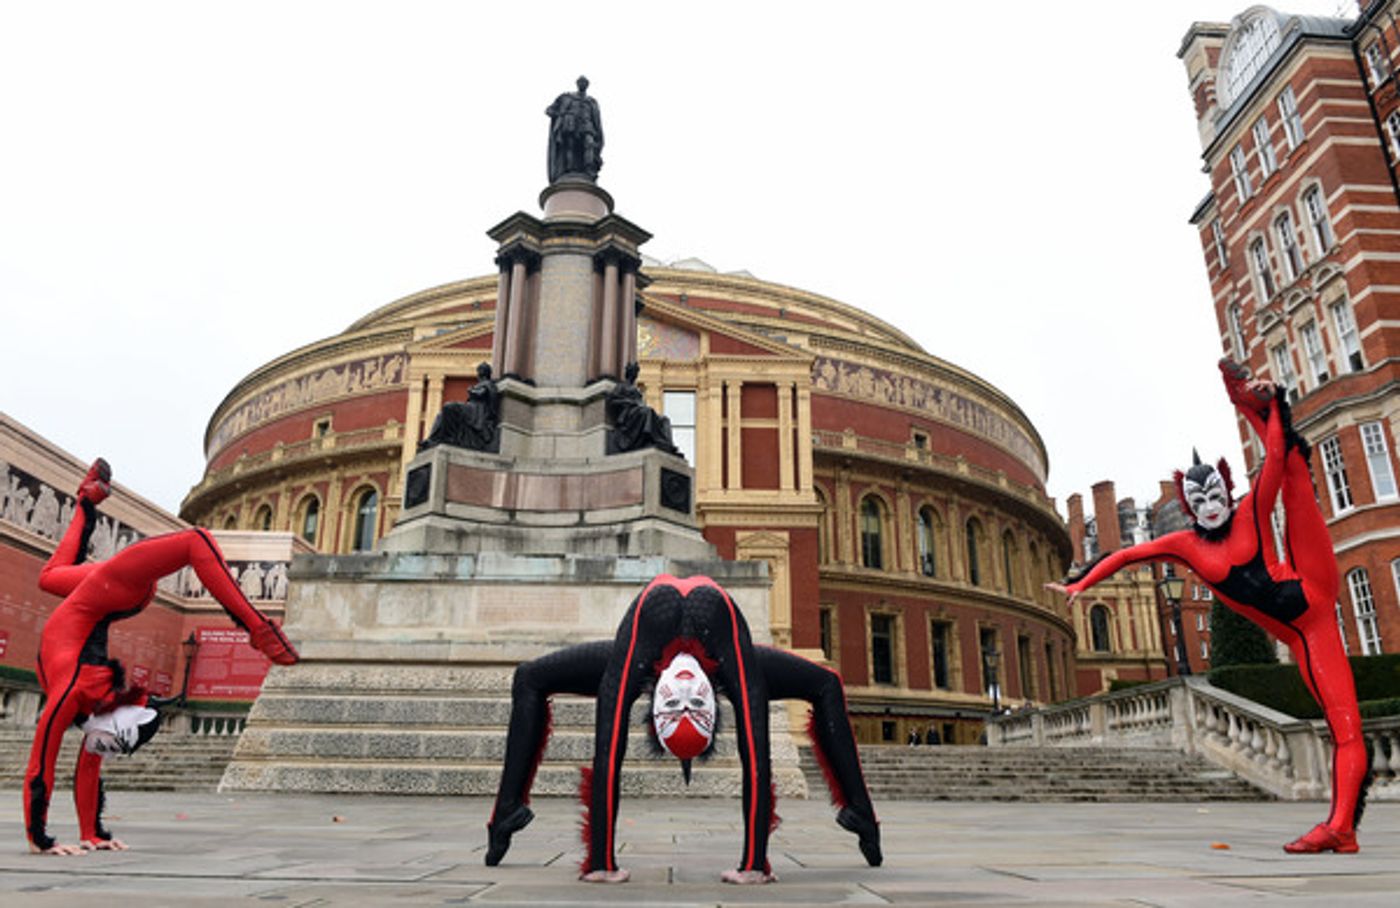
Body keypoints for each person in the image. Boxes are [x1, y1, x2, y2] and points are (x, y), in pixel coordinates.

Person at [1046, 360, 1369, 854]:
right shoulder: (1185, 545)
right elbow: (1130, 554)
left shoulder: (1250, 511)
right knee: (1340, 722)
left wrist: (1266, 403)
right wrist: (1079, 585)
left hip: (1313, 591)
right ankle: (1343, 831)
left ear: (1225, 488)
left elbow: (1277, 455)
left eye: (1216, 493)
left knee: (1295, 474)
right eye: (1199, 500)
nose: (1211, 504)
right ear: (1189, 504)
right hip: (1302, 630)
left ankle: (1341, 826)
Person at [484, 574, 881, 883]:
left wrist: (601, 863)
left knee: (530, 677)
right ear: (713, 701)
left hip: (657, 636)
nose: (688, 688)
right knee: (826, 683)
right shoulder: (725, 645)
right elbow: (756, 757)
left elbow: (607, 753)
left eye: (676, 704)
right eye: (695, 705)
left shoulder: (639, 648)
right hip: (711, 638)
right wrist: (755, 864)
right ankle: (860, 812)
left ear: (657, 703)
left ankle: (506, 810)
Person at [24, 459, 299, 855]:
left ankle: (257, 630)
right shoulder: (93, 707)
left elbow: (40, 764)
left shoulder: (70, 692)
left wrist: (39, 839)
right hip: (106, 601)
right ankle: (86, 500)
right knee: (51, 577)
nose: (105, 748)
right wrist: (93, 835)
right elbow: (86, 766)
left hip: (104, 596)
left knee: (195, 541)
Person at [418, 362, 501, 453]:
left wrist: (471, 390)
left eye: (480, 371)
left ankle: (449, 438)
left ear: (484, 372)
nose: (478, 374)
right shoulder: (484, 384)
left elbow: (481, 393)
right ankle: (433, 440)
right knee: (441, 415)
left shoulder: (488, 384)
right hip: (472, 409)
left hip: (478, 411)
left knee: (449, 407)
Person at [605, 363, 680, 456]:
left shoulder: (636, 389)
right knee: (648, 412)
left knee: (664, 419)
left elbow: (641, 403)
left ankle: (668, 445)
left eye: (636, 373)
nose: (635, 375)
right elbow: (612, 401)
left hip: (638, 412)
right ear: (629, 373)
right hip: (629, 413)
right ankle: (648, 438)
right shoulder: (621, 386)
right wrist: (628, 402)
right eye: (633, 373)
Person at [545, 76, 604, 183]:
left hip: (586, 125)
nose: (582, 84)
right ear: (577, 84)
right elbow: (549, 110)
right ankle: (569, 169)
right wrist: (561, 115)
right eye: (581, 82)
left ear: (587, 85)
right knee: (569, 147)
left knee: (589, 144)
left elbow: (596, 121)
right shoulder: (567, 97)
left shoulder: (591, 101)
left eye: (585, 83)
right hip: (570, 124)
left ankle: (588, 169)